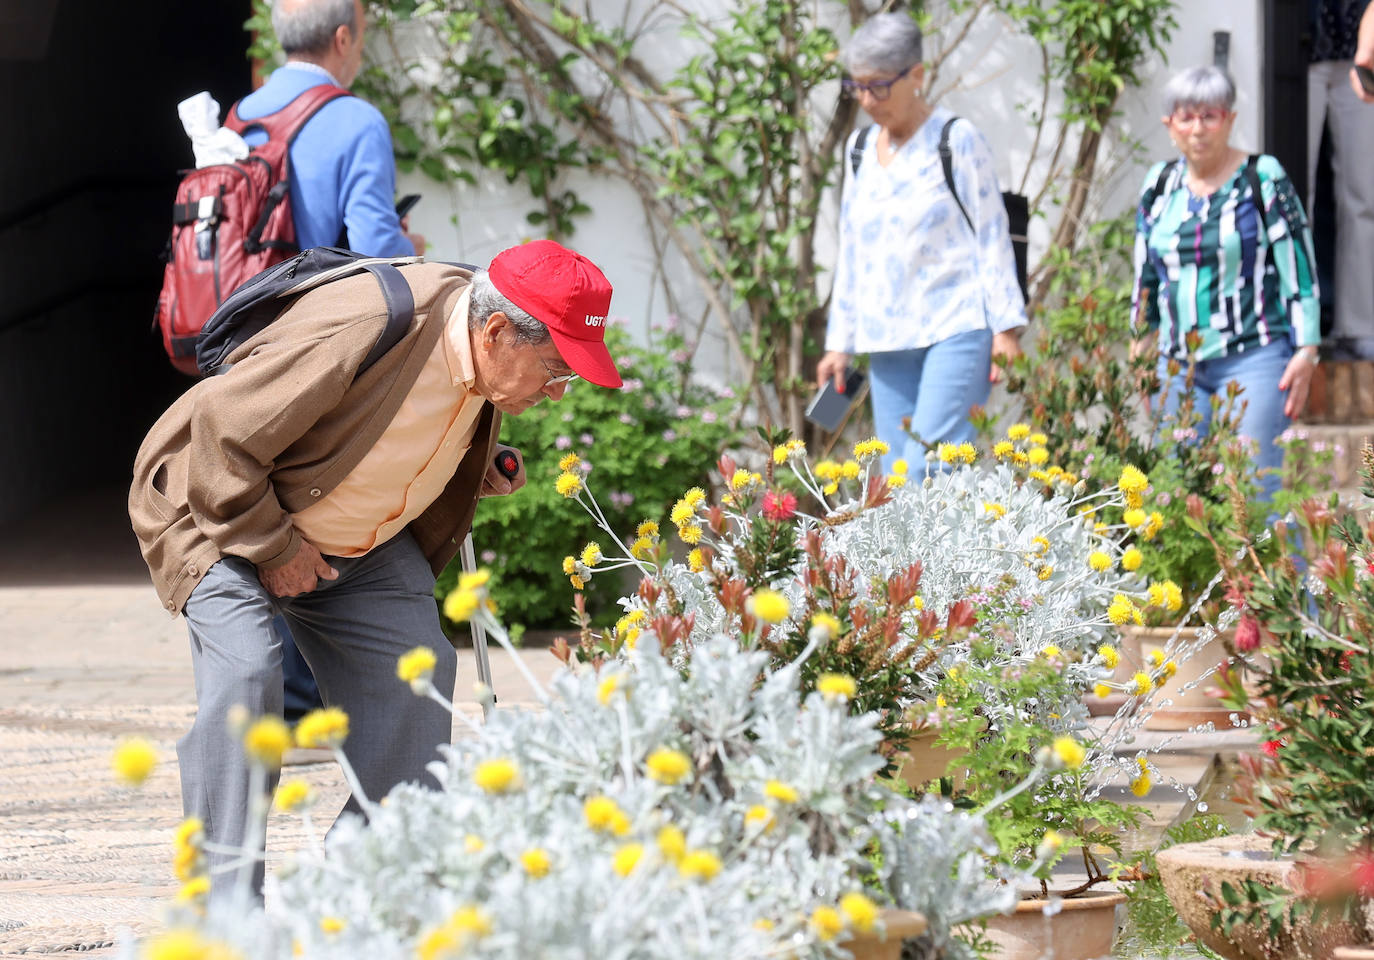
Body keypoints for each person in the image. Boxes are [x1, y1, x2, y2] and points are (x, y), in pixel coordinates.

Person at [128, 240, 620, 896]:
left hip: (347, 532)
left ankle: (360, 893)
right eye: (555, 370)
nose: (559, 391)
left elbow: (395, 423)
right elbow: (223, 437)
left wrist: (477, 468)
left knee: (415, 677)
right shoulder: (366, 325)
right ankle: (225, 914)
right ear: (497, 331)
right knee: (246, 675)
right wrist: (275, 550)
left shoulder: (482, 344)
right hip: (219, 505)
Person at [239, 0, 424, 718]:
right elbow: (376, 241)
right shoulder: (353, 119)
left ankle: (276, 695)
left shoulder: (240, 117)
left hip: (240, 338)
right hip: (317, 346)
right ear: (344, 38)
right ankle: (312, 694)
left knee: (261, 505)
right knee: (324, 503)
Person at [816, 13, 1026, 474]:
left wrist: (1006, 329)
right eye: (858, 87)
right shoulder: (859, 151)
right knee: (895, 479)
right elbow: (851, 251)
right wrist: (840, 344)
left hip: (955, 327)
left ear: (917, 75)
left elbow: (992, 234)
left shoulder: (956, 140)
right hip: (886, 338)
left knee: (928, 470)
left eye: (878, 86)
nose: (867, 100)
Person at [1131, 66, 1321, 500]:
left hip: (1254, 358)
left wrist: (1307, 350)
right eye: (1186, 117)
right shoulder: (1159, 185)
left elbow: (1299, 266)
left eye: (1210, 116)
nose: (1198, 129)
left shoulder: (1262, 176)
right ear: (1170, 125)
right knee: (1179, 496)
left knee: (1256, 494)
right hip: (1177, 366)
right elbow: (1144, 279)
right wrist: (1141, 354)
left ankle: (1275, 571)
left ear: (1230, 119)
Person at [237, 0, 422, 256]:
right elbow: (377, 251)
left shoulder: (240, 115)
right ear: (343, 39)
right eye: (362, 37)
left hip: (237, 294)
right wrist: (411, 246)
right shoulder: (359, 121)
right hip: (309, 295)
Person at [1308, 0, 1374, 360]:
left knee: (1363, 196)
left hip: (1360, 52)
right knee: (1295, 197)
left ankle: (1359, 326)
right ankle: (1299, 327)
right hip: (1299, 47)